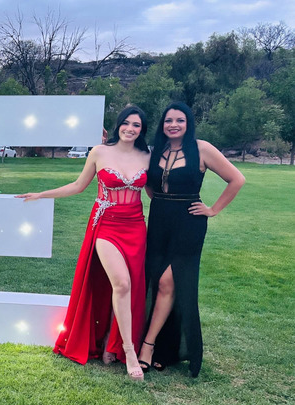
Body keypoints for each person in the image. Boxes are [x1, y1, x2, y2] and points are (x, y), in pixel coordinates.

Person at [17, 106, 151, 381]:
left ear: (142, 129)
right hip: (106, 225)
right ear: (118, 125)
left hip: (136, 226)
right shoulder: (99, 152)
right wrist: (42, 194)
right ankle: (129, 352)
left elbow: (154, 192)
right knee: (121, 284)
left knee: (130, 287)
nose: (130, 129)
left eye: (136, 125)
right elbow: (78, 186)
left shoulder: (147, 156)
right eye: (126, 123)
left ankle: (110, 341)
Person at [137, 101, 245, 378]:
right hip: (159, 222)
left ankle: (148, 346)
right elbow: (148, 184)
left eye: (180, 120)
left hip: (189, 223)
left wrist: (213, 209)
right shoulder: (155, 151)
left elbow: (237, 179)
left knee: (168, 282)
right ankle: (167, 349)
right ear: (162, 124)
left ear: (188, 123)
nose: (173, 125)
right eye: (168, 120)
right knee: (156, 282)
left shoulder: (202, 148)